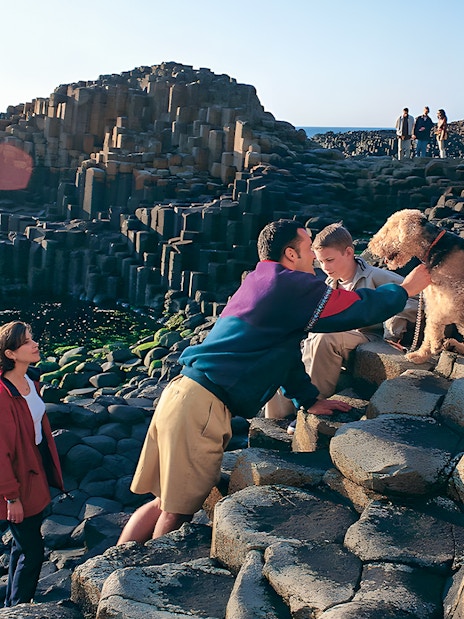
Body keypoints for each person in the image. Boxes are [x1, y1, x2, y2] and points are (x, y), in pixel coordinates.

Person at [117, 219, 430, 544]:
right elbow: (355, 310)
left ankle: (119, 561)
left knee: (162, 502)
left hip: (181, 394)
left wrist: (309, 400)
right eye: (309, 250)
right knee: (177, 511)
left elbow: (283, 355)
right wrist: (405, 289)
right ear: (291, 253)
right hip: (201, 406)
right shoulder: (290, 285)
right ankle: (146, 576)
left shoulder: (259, 280)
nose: (315, 259)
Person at [265, 223, 419, 424]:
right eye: (320, 262)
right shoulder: (328, 283)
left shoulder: (377, 276)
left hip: (368, 337)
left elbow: (415, 300)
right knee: (286, 357)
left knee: (324, 338)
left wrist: (389, 319)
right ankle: (274, 422)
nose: (325, 267)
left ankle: (312, 407)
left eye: (330, 260)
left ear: (349, 252)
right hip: (340, 338)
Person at [0, 321, 64, 607]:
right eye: (27, 341)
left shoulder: (31, 381)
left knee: (22, 545)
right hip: (16, 482)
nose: (35, 343)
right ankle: (21, 606)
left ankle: (12, 604)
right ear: (11, 353)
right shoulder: (2, 395)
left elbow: (36, 432)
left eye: (32, 338)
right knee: (33, 550)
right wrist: (12, 498)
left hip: (33, 471)